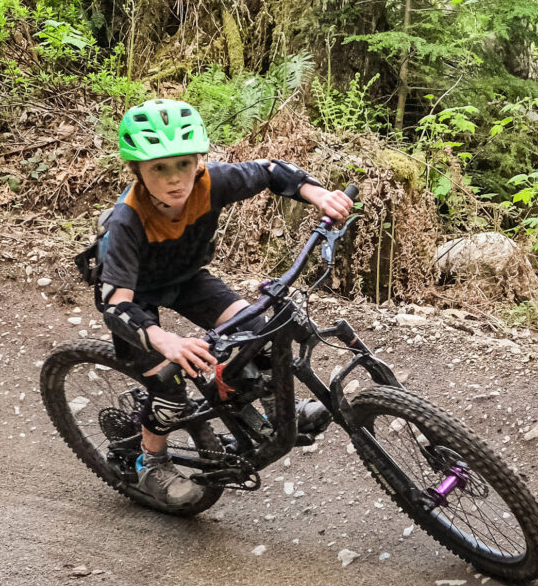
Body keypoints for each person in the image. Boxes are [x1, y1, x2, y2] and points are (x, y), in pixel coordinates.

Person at [98, 98, 354, 506]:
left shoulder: (210, 182)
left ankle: (270, 408)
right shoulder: (126, 220)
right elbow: (114, 305)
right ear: (136, 170)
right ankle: (150, 463)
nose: (174, 178)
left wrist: (317, 194)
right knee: (169, 385)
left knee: (259, 331)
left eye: (183, 163)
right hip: (137, 300)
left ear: (199, 160)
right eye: (158, 168)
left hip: (186, 280)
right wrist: (167, 342)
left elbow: (270, 172)